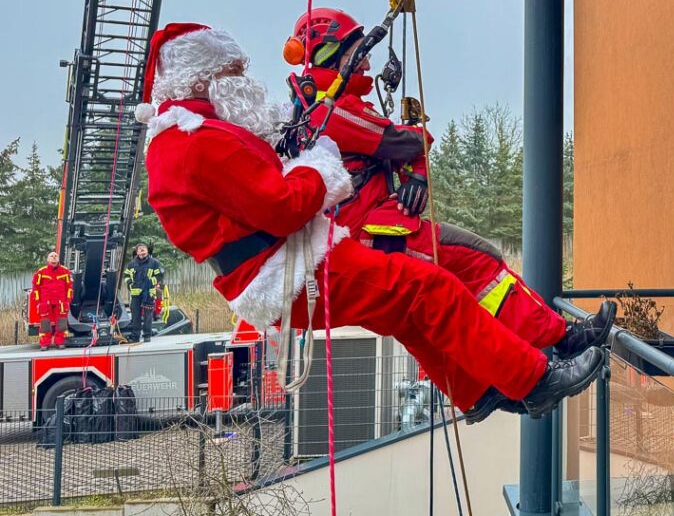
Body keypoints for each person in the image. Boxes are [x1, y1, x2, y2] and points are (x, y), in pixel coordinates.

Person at [133, 22, 602, 420]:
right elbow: (286, 203)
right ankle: (536, 376)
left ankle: (482, 389)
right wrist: (319, 167)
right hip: (295, 265)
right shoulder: (201, 141)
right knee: (439, 284)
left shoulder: (200, 134)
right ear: (204, 78)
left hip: (298, 258)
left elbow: (401, 148)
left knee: (409, 307)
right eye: (234, 70)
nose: (243, 78)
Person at [285, 8, 616, 421]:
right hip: (375, 234)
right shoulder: (333, 111)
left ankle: (478, 393)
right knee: (479, 262)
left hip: (365, 233)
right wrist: (414, 156)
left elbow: (403, 154)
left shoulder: (317, 109)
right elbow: (407, 142)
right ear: (334, 54)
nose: (368, 61)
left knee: (415, 319)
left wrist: (416, 175)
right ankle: (560, 341)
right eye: (359, 50)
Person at [122, 243, 164, 342]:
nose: (142, 251)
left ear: (147, 251)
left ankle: (147, 336)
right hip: (136, 293)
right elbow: (126, 275)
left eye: (144, 249)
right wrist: (130, 284)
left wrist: (151, 282)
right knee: (135, 315)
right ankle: (136, 336)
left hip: (149, 293)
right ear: (137, 252)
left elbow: (160, 275)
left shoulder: (154, 262)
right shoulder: (132, 264)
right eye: (140, 250)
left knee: (148, 315)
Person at [31, 251, 73, 350]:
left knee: (62, 323)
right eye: (51, 256)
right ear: (48, 259)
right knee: (45, 324)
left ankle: (60, 342)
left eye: (55, 256)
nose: (54, 258)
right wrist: (38, 302)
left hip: (61, 302)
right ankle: (44, 344)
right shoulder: (41, 272)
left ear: (58, 259)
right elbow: (35, 288)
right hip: (45, 302)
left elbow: (69, 287)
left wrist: (67, 300)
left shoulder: (65, 271)